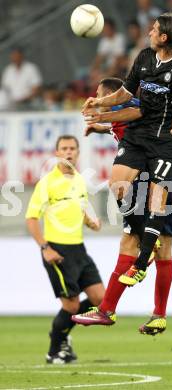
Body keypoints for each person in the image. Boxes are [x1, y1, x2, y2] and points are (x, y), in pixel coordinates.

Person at [81, 13, 172, 288]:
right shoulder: (144, 57)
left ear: (165, 37)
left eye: (154, 30)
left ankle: (142, 262)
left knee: (158, 195)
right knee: (118, 185)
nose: (149, 33)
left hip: (168, 137)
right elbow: (126, 93)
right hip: (142, 132)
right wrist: (99, 102)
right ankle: (144, 236)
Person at [72, 77, 172, 335]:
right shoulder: (123, 117)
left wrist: (100, 115)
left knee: (129, 241)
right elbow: (123, 125)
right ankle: (159, 316)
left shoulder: (129, 107)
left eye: (100, 94)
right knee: (165, 251)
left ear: (111, 96)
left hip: (149, 181)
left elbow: (133, 112)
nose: (97, 98)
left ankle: (106, 309)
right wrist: (100, 127)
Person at [26, 135, 105, 364]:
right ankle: (54, 349)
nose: (69, 152)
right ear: (57, 153)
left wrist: (90, 222)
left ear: (78, 153)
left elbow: (77, 210)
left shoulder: (80, 180)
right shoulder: (47, 182)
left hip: (79, 248)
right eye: (64, 148)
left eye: (72, 148)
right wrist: (45, 248)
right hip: (57, 250)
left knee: (101, 299)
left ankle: (62, 334)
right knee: (70, 305)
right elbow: (31, 219)